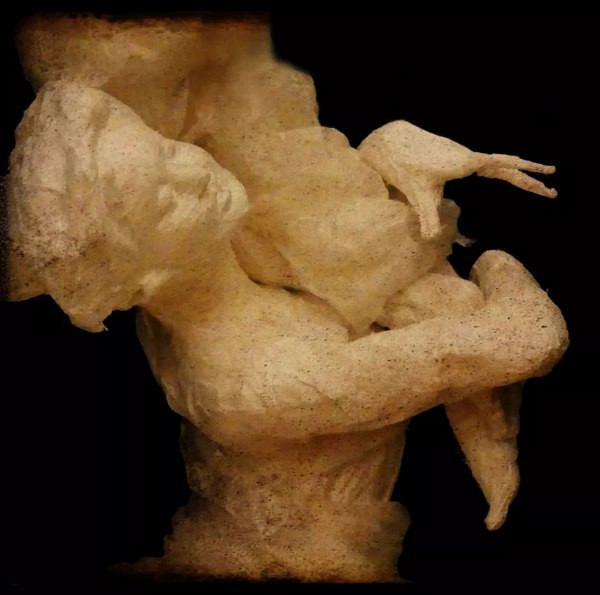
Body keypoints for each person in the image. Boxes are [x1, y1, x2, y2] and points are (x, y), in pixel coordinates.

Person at [8, 14, 568, 583]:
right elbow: (530, 339)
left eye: (166, 151)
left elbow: (334, 232)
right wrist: (495, 265)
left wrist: (388, 161)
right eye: (166, 199)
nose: (193, 168)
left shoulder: (244, 259)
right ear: (142, 279)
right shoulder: (269, 381)